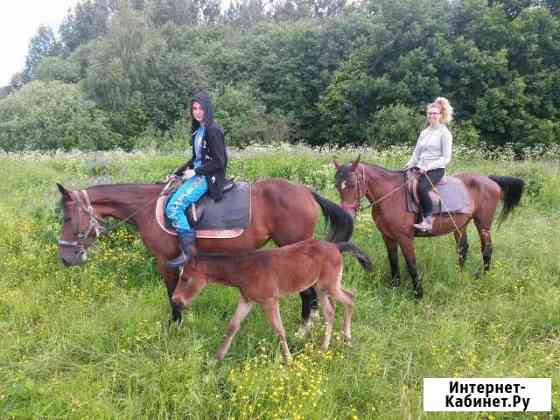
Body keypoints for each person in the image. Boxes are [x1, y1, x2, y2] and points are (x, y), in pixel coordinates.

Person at [165, 92, 228, 268]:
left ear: (208, 109)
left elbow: (219, 161)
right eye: (194, 108)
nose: (198, 112)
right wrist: (177, 173)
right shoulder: (198, 131)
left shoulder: (212, 129)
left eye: (201, 108)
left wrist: (196, 172)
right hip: (198, 173)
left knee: (174, 207)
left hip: (208, 177)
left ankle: (188, 252)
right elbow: (195, 158)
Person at [404, 97, 454, 232]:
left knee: (421, 187)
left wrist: (427, 167)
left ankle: (428, 219)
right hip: (420, 167)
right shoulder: (424, 132)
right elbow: (416, 153)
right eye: (430, 113)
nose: (432, 116)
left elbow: (446, 158)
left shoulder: (445, 133)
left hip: (436, 169)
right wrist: (409, 165)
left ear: (440, 115)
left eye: (435, 113)